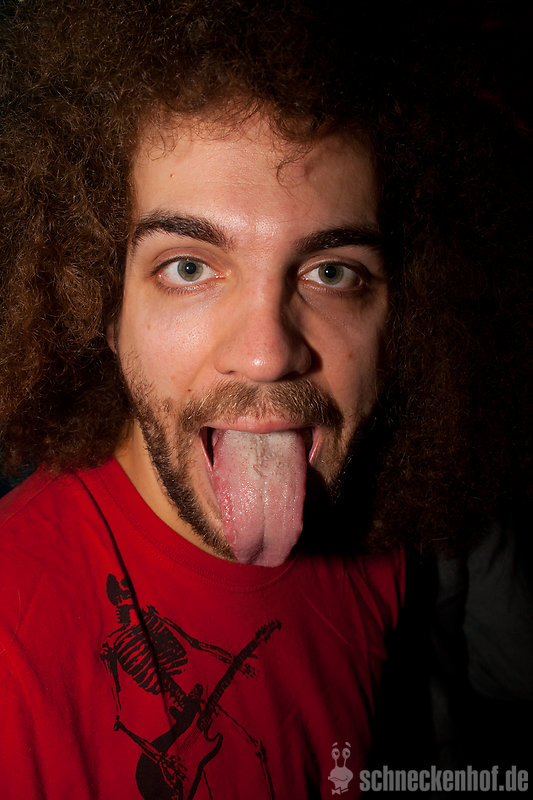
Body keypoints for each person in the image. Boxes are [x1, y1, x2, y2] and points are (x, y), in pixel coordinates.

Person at [0, 1, 530, 798]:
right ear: (100, 306)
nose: (266, 352)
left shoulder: (377, 543)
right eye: (187, 267)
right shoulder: (12, 655)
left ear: (403, 318)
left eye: (331, 272)